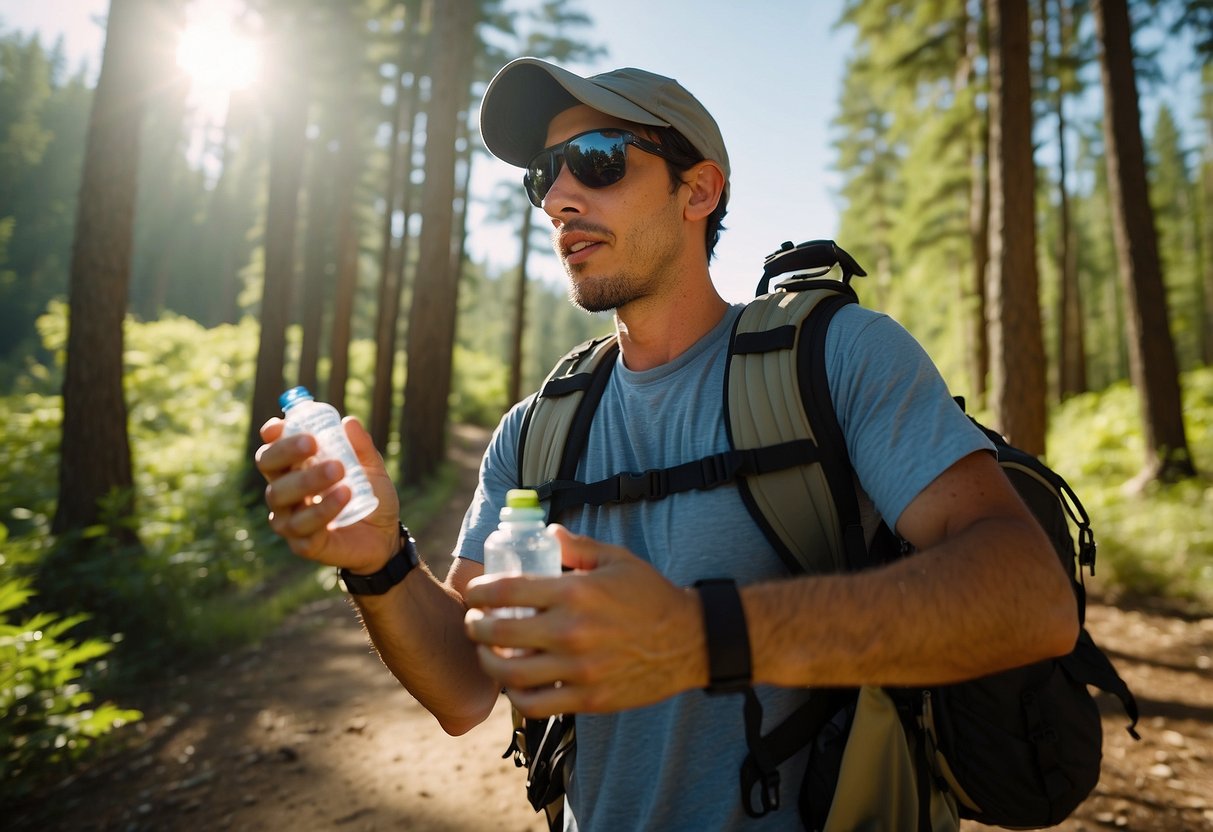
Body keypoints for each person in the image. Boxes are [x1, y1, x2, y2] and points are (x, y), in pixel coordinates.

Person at [254, 57, 1079, 831]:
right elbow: (467, 688)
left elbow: (1030, 600)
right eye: (545, 176)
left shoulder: (837, 356)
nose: (558, 199)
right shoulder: (536, 429)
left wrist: (699, 636)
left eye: (599, 160)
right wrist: (378, 563)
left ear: (698, 191)